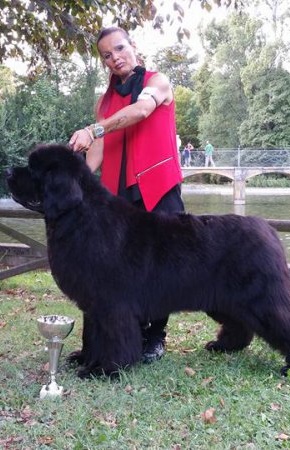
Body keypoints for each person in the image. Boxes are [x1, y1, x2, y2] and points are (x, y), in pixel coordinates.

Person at [68, 26, 184, 363]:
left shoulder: (158, 81)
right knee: (122, 270)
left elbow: (141, 111)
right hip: (118, 198)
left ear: (133, 46)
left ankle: (155, 338)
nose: (115, 58)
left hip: (160, 188)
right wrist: (79, 186)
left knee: (162, 267)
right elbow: (97, 154)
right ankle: (126, 337)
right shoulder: (105, 101)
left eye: (119, 48)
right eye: (107, 54)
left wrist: (94, 128)